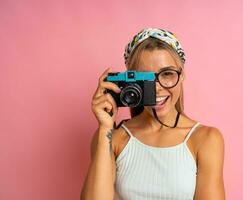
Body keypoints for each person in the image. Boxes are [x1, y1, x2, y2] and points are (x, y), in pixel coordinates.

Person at [81, 28, 226, 200]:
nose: (157, 87)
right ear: (132, 81)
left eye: (167, 74)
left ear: (182, 76)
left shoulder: (206, 139)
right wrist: (105, 127)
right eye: (146, 78)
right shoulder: (113, 137)